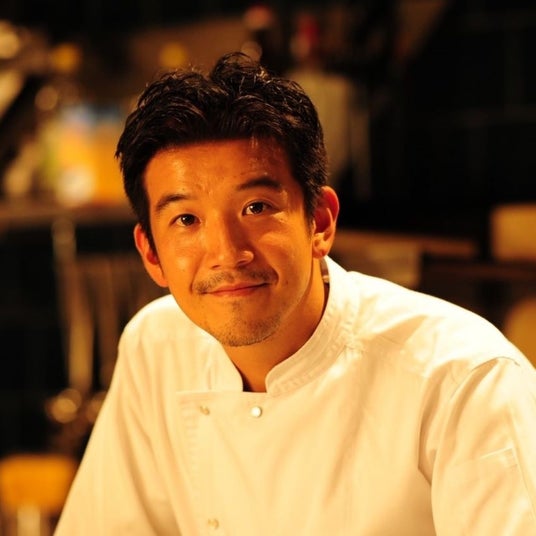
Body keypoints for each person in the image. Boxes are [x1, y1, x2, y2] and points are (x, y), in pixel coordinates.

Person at [55, 52, 536, 535]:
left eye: (256, 207)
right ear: (151, 253)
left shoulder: (464, 377)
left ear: (320, 221)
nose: (227, 254)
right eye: (186, 219)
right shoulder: (156, 346)